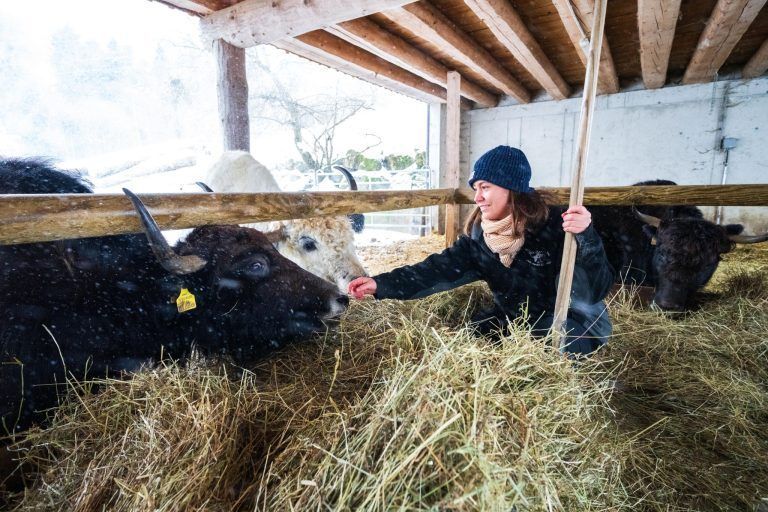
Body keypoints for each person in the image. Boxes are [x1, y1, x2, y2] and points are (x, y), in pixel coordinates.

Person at [348, 145, 614, 356]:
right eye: (476, 188)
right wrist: (380, 283)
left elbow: (595, 290)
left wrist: (586, 238)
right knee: (471, 337)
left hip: (574, 321)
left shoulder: (557, 226)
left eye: (485, 187)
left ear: (512, 189)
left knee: (539, 352)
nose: (477, 197)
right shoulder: (481, 238)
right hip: (518, 318)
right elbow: (435, 270)